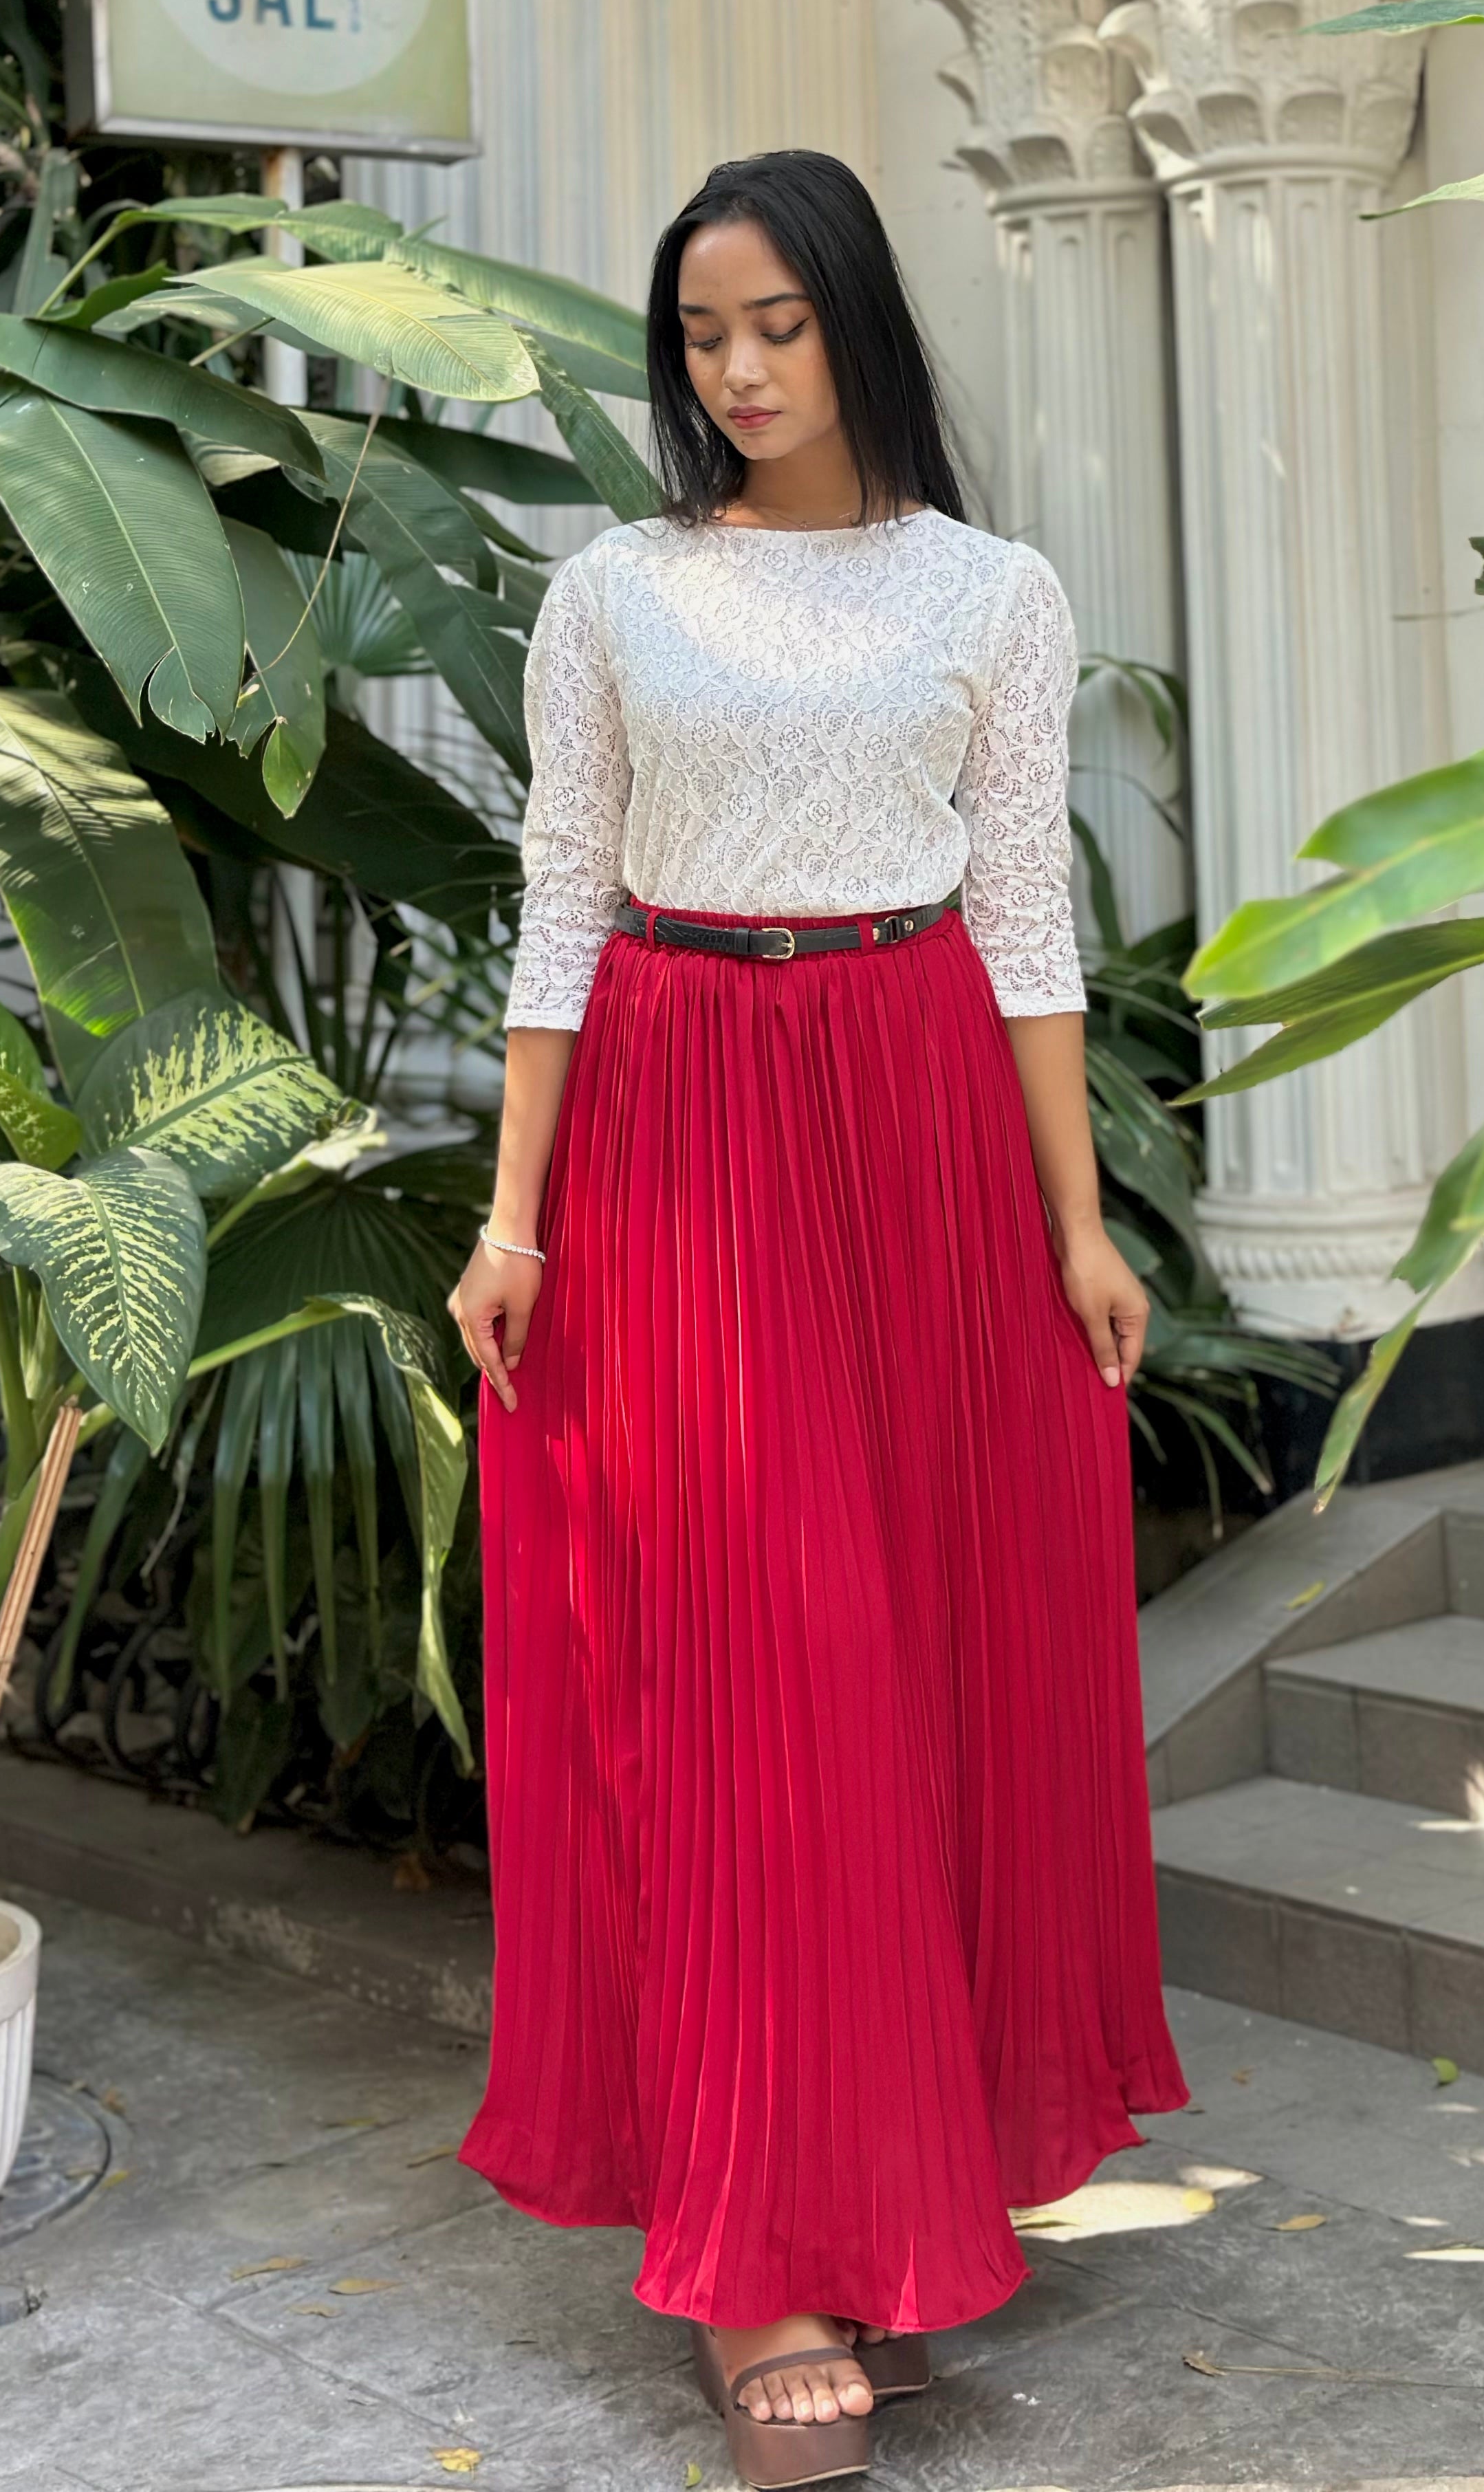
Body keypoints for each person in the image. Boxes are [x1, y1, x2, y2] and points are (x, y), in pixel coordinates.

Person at [448, 146, 1190, 2491]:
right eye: (701, 335)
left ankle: (889, 2180)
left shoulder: (994, 589)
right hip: (679, 1128)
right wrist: (513, 1217)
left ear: (854, 322)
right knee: (744, 1677)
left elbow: (1028, 932)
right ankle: (754, 2257)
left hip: (918, 1130)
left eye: (777, 324)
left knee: (910, 1675)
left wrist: (1080, 1225)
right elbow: (560, 911)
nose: (740, 371)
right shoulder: (616, 591)